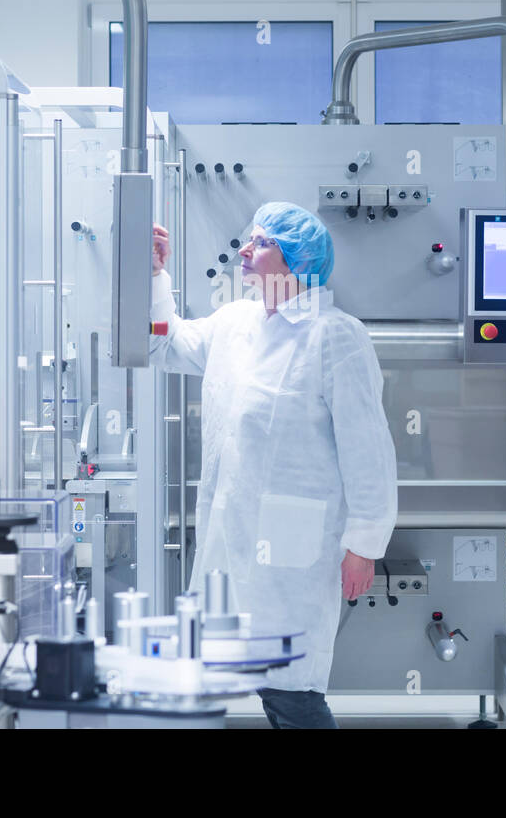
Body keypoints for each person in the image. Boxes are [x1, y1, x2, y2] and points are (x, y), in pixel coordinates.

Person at [149, 201, 398, 729]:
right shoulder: (235, 323)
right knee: (220, 672)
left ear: (295, 262)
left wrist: (364, 546)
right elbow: (165, 342)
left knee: (291, 691)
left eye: (261, 243)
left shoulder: (335, 335)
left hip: (294, 549)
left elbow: (368, 450)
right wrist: (154, 274)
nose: (243, 249)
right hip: (228, 532)